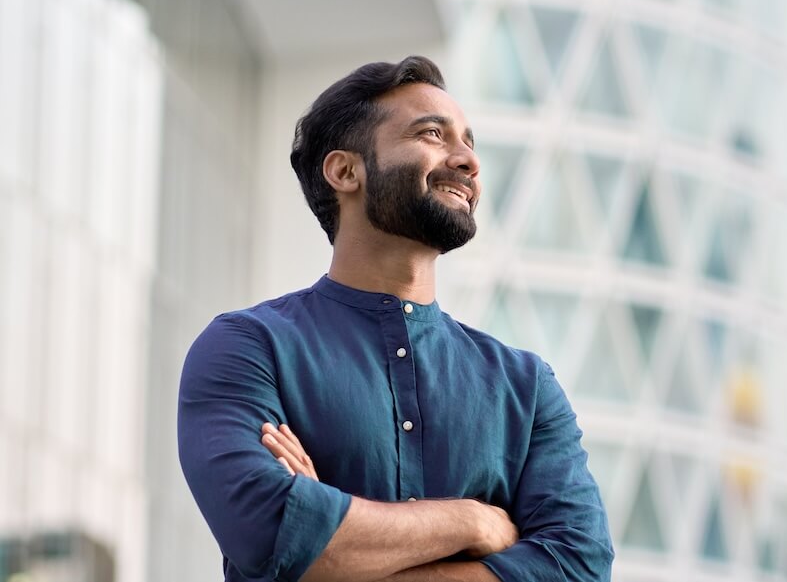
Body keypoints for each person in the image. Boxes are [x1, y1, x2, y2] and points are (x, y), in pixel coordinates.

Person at [177, 56, 614, 582]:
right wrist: (473, 523)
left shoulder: (525, 385)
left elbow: (580, 567)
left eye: (469, 143)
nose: (468, 161)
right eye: (433, 133)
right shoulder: (247, 348)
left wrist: (331, 539)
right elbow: (268, 532)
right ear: (345, 171)